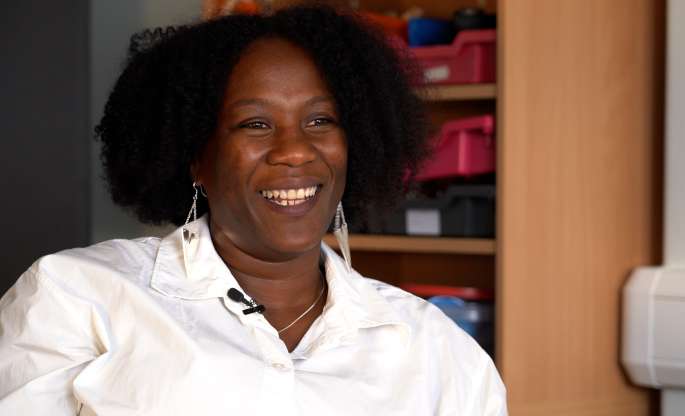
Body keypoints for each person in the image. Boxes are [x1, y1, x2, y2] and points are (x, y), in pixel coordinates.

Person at [0, 5, 506, 415]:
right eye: (256, 124)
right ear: (197, 157)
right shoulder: (76, 300)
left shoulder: (435, 348)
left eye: (321, 120)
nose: (295, 150)